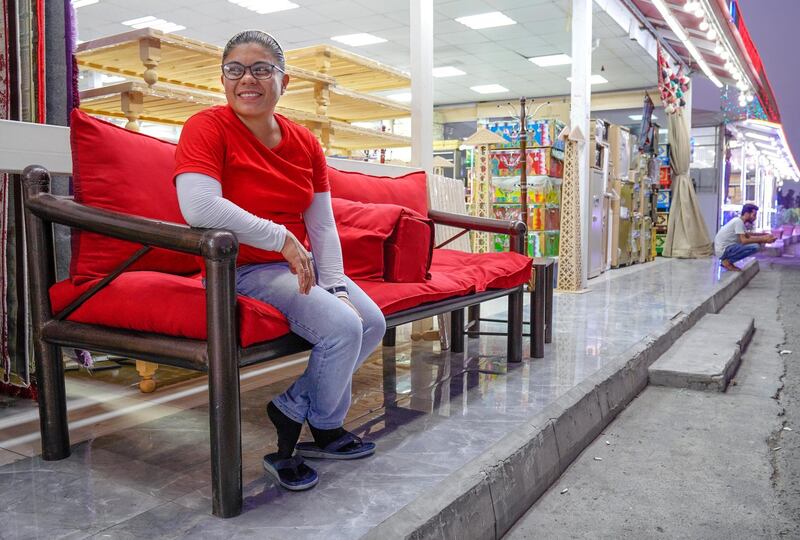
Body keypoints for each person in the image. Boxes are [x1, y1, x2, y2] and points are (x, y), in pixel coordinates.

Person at [173, 30, 386, 491]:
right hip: (237, 269)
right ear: (223, 78)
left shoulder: (305, 142)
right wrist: (282, 239)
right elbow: (199, 207)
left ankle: (294, 409)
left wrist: (338, 288)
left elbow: (324, 225)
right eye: (236, 69)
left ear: (283, 82)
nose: (247, 79)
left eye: (262, 69)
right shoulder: (206, 127)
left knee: (370, 321)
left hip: (295, 267)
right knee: (342, 328)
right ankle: (321, 427)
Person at [713, 203, 775, 272]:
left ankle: (728, 262)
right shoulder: (738, 222)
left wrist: (764, 235)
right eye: (754, 215)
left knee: (757, 244)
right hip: (724, 250)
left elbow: (748, 236)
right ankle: (727, 262)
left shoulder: (739, 222)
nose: (755, 218)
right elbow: (744, 240)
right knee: (755, 246)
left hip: (725, 249)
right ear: (746, 214)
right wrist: (763, 239)